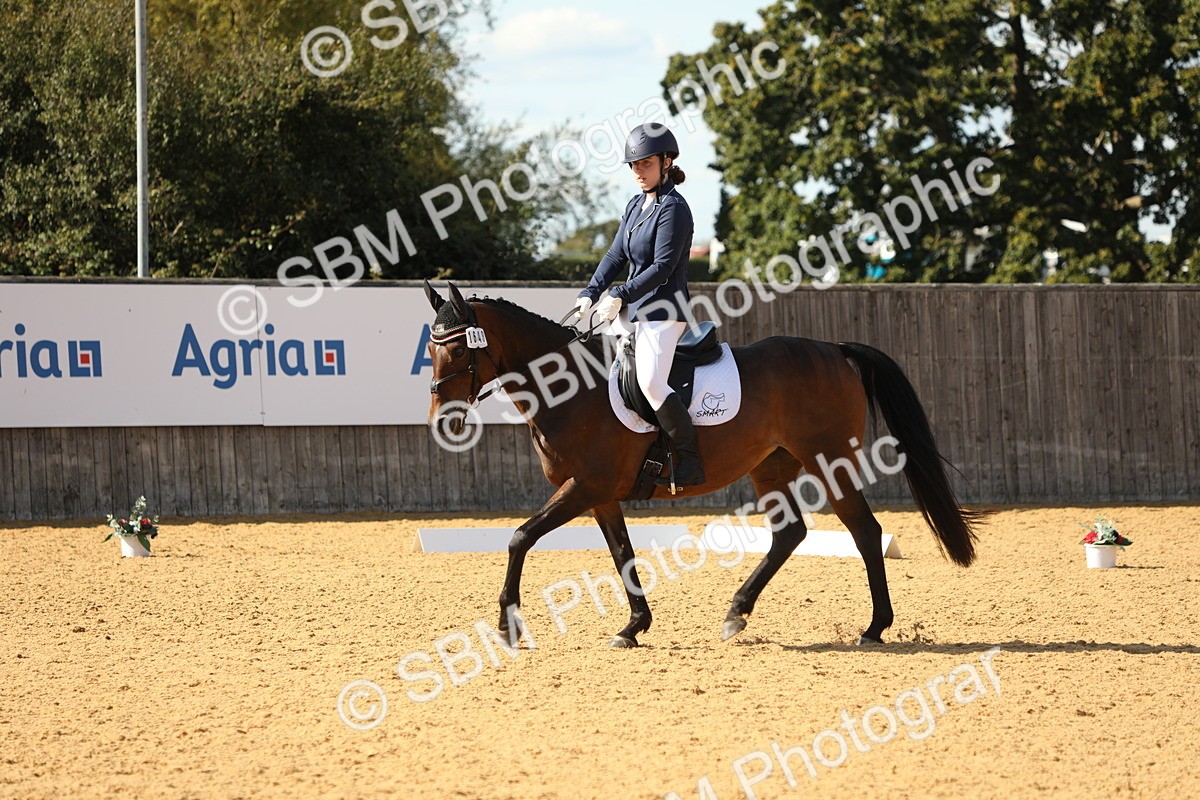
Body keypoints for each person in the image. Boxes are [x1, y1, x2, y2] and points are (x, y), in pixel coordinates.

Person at [575, 122, 704, 486]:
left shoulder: (674, 208)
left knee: (649, 381)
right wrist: (591, 291)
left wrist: (618, 294)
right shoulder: (635, 205)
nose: (638, 172)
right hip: (633, 313)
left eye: (645, 164)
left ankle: (690, 459)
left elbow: (663, 267)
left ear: (666, 162)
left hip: (664, 311)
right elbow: (616, 254)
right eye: (634, 165)